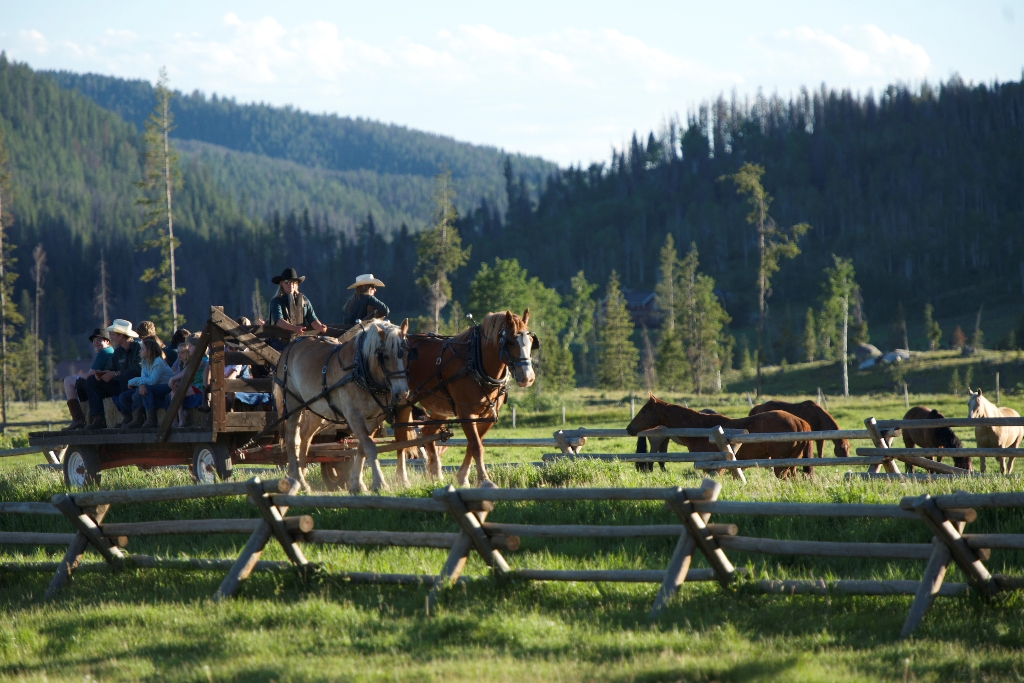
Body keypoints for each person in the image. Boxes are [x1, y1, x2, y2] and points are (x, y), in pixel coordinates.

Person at [85, 319, 142, 429]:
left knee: (125, 377)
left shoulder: (138, 348)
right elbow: (111, 369)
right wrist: (102, 374)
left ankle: (128, 417)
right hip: (121, 385)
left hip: (136, 385)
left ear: (121, 336)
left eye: (113, 335)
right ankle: (98, 419)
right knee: (92, 380)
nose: (111, 337)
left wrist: (116, 373)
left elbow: (137, 370)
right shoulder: (118, 352)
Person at [61, 328, 114, 430]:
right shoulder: (111, 351)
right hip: (104, 386)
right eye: (94, 341)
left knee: (68, 380)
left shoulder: (103, 353)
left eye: (99, 340)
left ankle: (77, 419)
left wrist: (76, 375)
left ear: (107, 341)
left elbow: (90, 375)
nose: (95, 343)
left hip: (98, 387)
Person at [121, 338, 175, 428]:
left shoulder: (158, 361)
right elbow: (144, 379)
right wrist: (141, 383)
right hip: (154, 387)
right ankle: (138, 417)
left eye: (142, 349)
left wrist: (134, 382)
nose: (140, 351)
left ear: (149, 351)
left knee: (146, 389)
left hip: (168, 386)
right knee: (123, 397)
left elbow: (152, 381)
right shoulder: (145, 362)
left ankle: (151, 419)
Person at [268, 267, 327, 348]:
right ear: (281, 283)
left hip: (300, 341)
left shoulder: (304, 300)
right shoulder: (276, 301)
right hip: (280, 342)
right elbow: (279, 321)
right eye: (287, 281)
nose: (290, 284)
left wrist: (320, 327)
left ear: (296, 284)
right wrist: (294, 328)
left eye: (293, 282)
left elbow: (312, 319)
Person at [168, 333, 207, 427]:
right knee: (174, 391)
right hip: (194, 385)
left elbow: (187, 371)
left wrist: (173, 378)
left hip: (199, 386)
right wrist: (176, 381)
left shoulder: (202, 359)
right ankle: (177, 420)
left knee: (176, 393)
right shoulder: (195, 358)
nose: (188, 348)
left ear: (197, 347)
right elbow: (185, 370)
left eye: (190, 346)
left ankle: (179, 420)